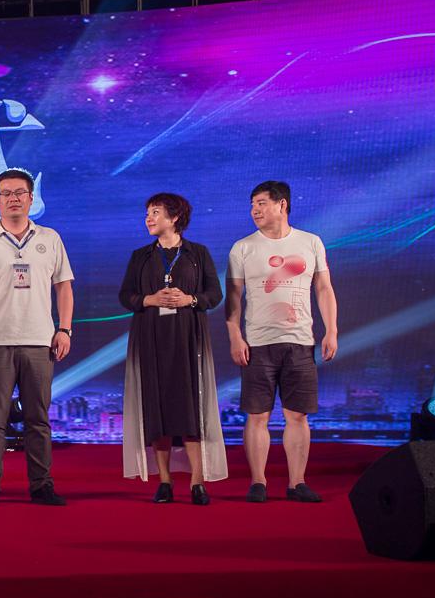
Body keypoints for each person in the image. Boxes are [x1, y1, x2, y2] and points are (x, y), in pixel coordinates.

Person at [0, 168, 74, 507]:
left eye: (19, 193)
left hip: (40, 341)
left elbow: (64, 287)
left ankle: (42, 486)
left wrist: (64, 328)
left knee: (38, 419)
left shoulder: (49, 238)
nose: (13, 199)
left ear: (31, 198)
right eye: (6, 193)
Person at [225, 180, 338, 503]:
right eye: (252, 205)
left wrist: (331, 330)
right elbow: (233, 296)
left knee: (297, 416)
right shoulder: (243, 247)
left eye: (261, 203)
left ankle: (296, 482)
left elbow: (324, 288)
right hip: (258, 342)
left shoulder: (311, 242)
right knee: (257, 415)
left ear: (282, 204)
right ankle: (258, 482)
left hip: (300, 340)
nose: (254, 210)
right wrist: (235, 335)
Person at [118, 194, 227, 505]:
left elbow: (214, 294)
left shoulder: (197, 253)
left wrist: (190, 299)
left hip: (188, 338)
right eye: (147, 213)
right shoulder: (140, 256)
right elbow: (126, 295)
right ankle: (164, 481)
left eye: (155, 212)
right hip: (150, 339)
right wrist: (149, 300)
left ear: (175, 217)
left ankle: (197, 482)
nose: (148, 219)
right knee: (157, 411)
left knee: (190, 410)